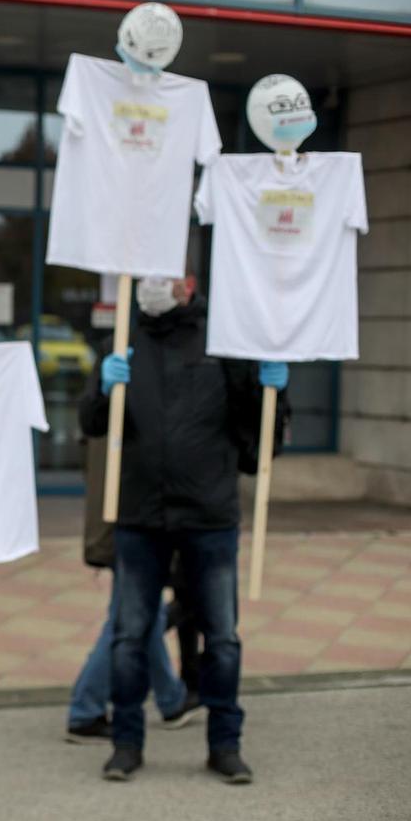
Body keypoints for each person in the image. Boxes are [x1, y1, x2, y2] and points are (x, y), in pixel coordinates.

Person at [79, 274, 288, 785]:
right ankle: (126, 742)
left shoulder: (226, 343)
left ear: (189, 283)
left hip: (210, 517)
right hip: (138, 517)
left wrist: (274, 395)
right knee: (129, 636)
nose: (152, 282)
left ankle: (225, 744)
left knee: (221, 638)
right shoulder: (121, 341)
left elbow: (261, 443)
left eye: (163, 271)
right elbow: (91, 424)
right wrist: (104, 389)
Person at [66, 435, 199, 743]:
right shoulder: (130, 399)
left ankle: (170, 699)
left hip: (121, 522)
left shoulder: (109, 399)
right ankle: (85, 709)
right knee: (126, 619)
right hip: (131, 525)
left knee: (140, 614)